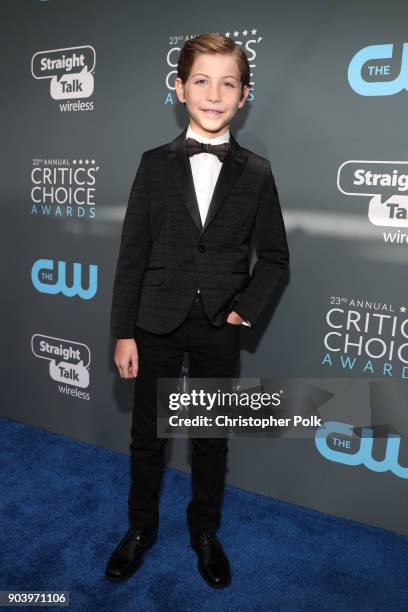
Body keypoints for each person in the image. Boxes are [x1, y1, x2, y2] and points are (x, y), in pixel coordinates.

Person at [105, 32, 290, 588]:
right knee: (148, 438)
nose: (214, 94)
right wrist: (123, 333)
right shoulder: (153, 164)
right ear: (180, 88)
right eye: (202, 81)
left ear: (244, 94)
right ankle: (140, 530)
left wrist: (241, 312)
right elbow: (132, 253)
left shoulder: (257, 171)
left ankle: (204, 532)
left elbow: (276, 258)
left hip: (219, 325)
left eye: (227, 83)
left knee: (210, 437)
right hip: (154, 320)